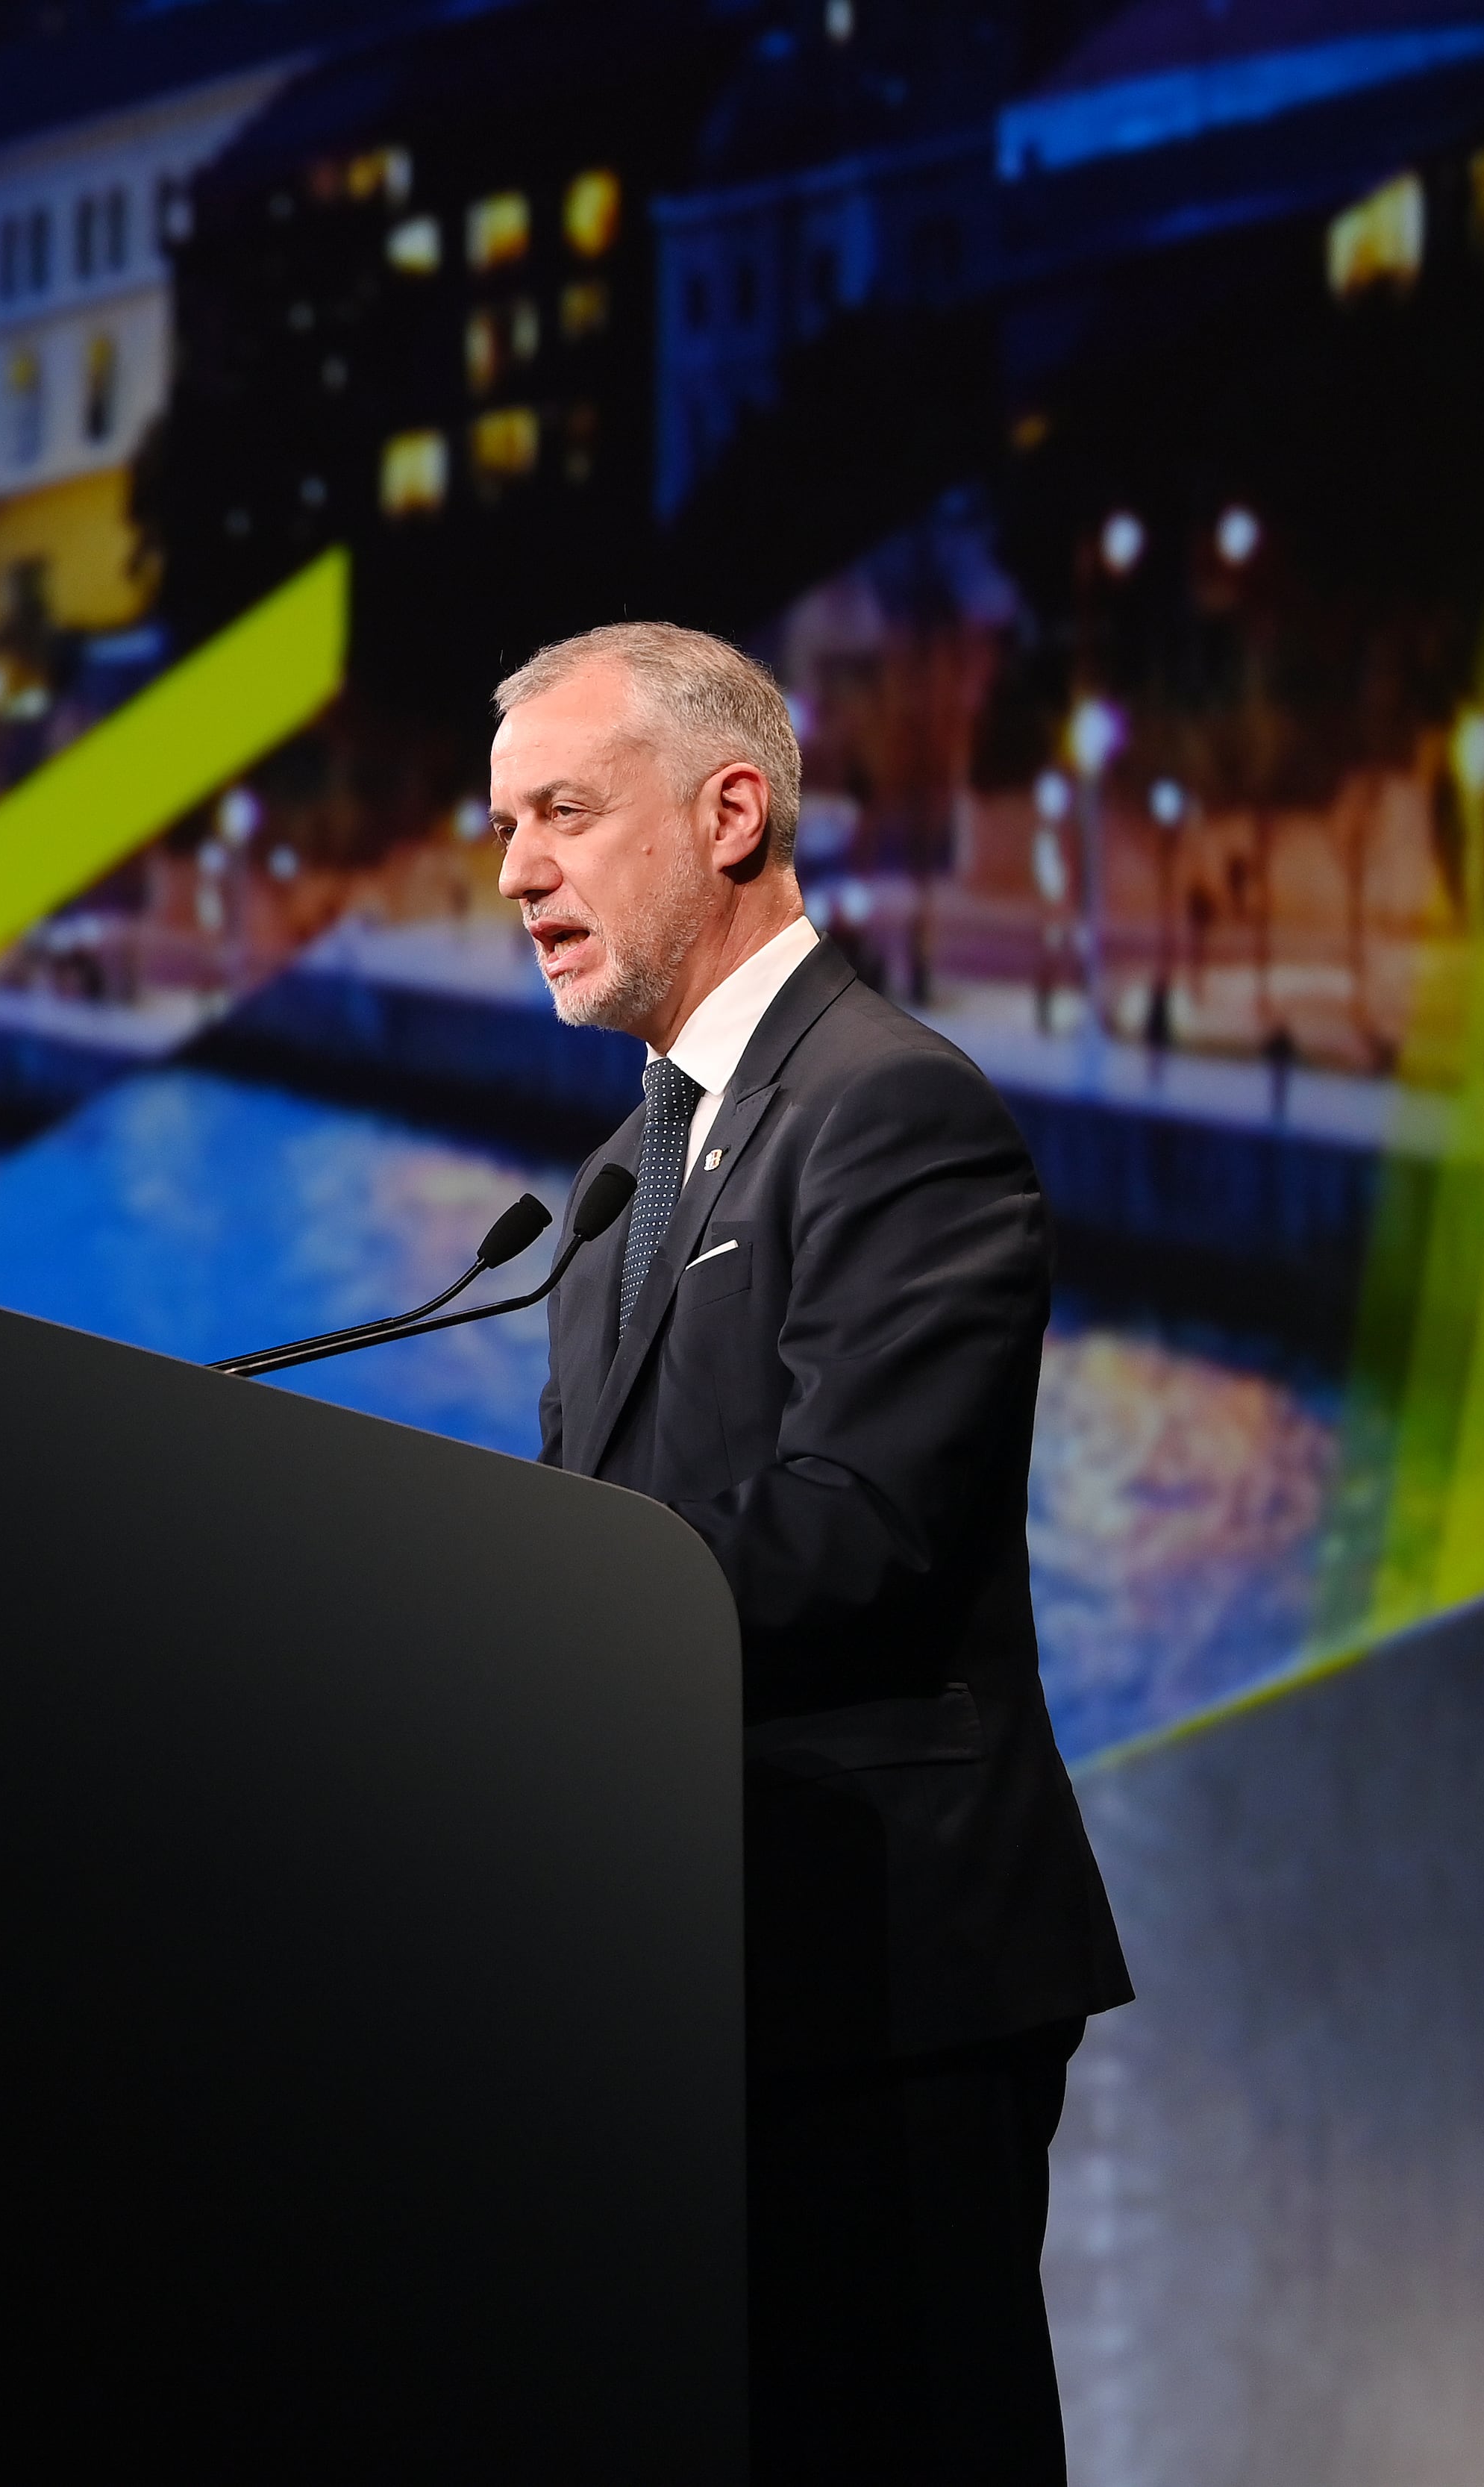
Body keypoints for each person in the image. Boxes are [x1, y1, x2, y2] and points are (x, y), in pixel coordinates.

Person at [491, 624, 1130, 2485]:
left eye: (564, 812)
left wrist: (526, 1624)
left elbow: (860, 1527)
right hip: (684, 1981)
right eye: (505, 823)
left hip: (879, 1980)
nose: (517, 869)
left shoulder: (889, 1106)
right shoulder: (621, 1178)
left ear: (732, 810)